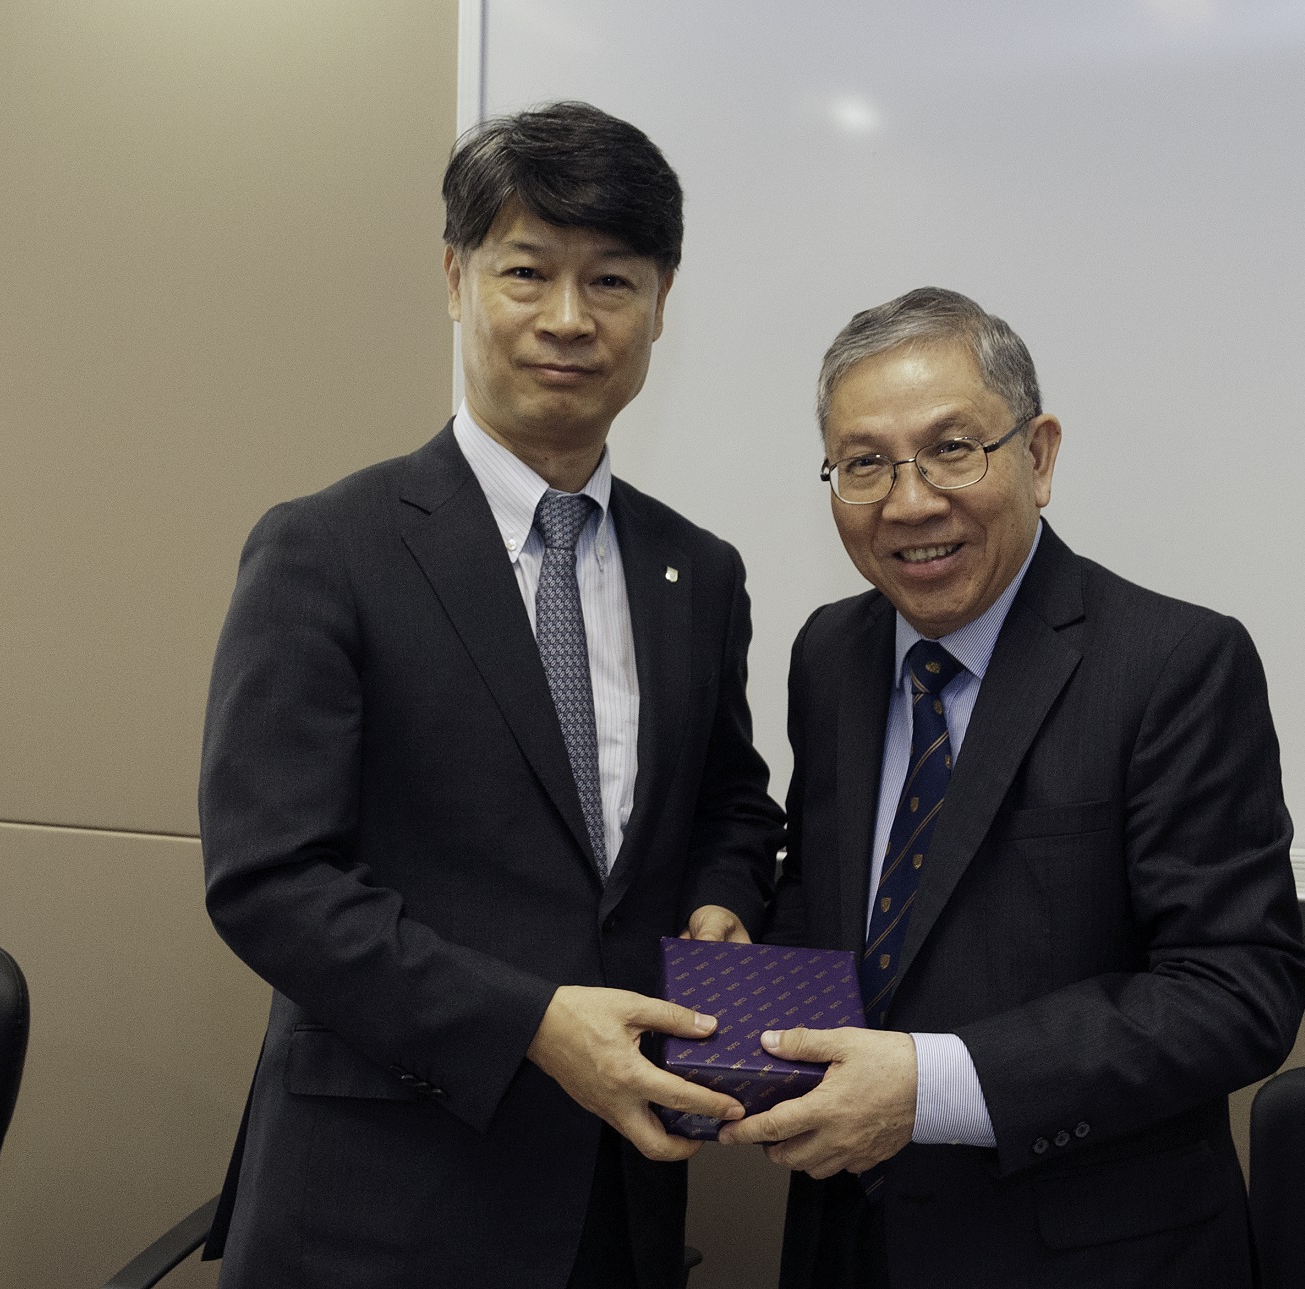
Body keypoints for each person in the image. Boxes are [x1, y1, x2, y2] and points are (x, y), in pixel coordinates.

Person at [197, 101, 783, 1289]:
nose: (568, 319)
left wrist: (723, 903)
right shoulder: (327, 547)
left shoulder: (699, 570)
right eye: (529, 271)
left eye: (611, 280)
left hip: (619, 1201)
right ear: (458, 278)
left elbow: (730, 801)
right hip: (382, 1199)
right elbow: (270, 878)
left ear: (662, 302)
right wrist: (531, 1022)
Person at [719, 288, 1305, 1287]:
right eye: (863, 462)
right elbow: (828, 907)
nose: (908, 501)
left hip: (1083, 1256)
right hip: (848, 1240)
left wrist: (929, 1086)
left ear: (1037, 456)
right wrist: (738, 1001)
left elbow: (1234, 989)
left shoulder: (1174, 661)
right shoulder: (831, 651)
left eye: (953, 447)